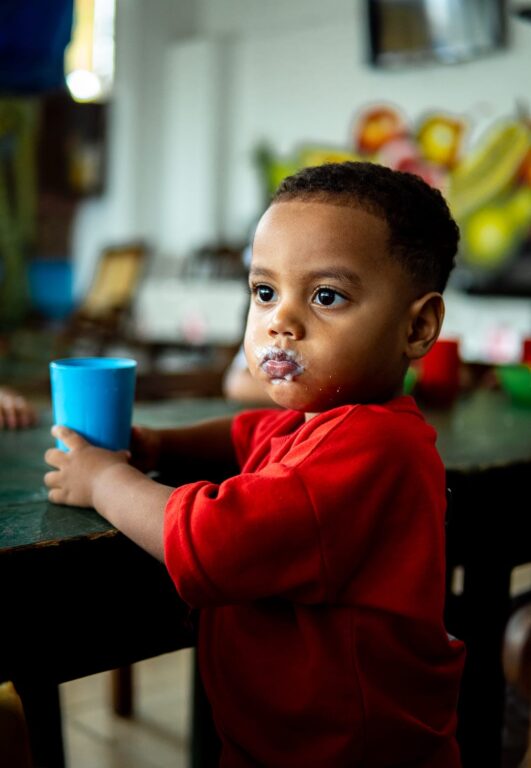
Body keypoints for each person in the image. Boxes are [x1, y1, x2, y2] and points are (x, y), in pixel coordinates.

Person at [44, 161, 465, 767]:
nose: (280, 323)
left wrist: (105, 479)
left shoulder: (378, 447)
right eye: (264, 291)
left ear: (418, 326)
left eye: (327, 297)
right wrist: (164, 446)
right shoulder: (324, 417)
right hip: (277, 742)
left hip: (349, 754)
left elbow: (216, 542)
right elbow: (251, 433)